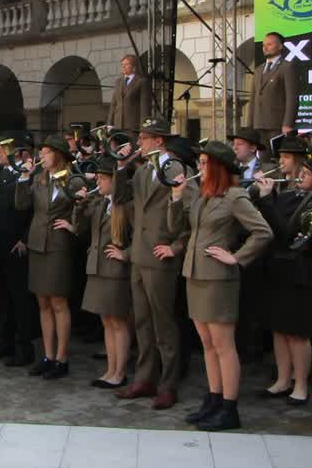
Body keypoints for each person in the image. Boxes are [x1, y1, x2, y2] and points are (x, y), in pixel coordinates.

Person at [168, 141, 273, 431]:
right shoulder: (202, 197)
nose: (199, 168)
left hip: (218, 278)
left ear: (216, 167)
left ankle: (230, 406)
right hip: (195, 274)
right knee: (207, 344)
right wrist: (177, 199)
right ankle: (214, 398)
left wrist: (237, 258)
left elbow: (262, 232)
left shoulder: (234, 196)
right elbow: (180, 228)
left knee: (223, 345)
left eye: (203, 163)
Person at [118, 119, 191, 410]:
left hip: (160, 256)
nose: (140, 143)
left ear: (159, 141)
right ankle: (145, 378)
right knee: (142, 322)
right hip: (140, 255)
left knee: (164, 325)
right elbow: (122, 197)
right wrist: (122, 165)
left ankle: (168, 383)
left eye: (145, 138)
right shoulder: (144, 169)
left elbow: (187, 209)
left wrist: (176, 246)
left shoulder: (174, 166)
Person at [253, 151, 312, 405]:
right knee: (279, 329)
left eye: (307, 174)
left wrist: (267, 201)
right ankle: (282, 379)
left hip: (302, 272)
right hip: (278, 269)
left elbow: (289, 234)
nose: (301, 176)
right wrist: (266, 198)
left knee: (297, 332)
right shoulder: (289, 195)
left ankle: (301, 384)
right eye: (302, 172)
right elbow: (273, 228)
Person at [14, 135, 78, 380]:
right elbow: (21, 204)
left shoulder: (71, 179)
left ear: (58, 155)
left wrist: (73, 226)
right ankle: (48, 355)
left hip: (59, 245)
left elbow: (82, 207)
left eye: (46, 152)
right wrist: (23, 177)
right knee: (43, 302)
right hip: (38, 243)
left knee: (59, 302)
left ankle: (62, 358)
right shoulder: (39, 179)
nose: (41, 156)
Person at [73, 156, 133, 389]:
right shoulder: (100, 202)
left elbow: (139, 236)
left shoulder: (126, 206)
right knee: (106, 321)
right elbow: (80, 227)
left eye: (102, 178)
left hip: (115, 270)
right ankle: (110, 368)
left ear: (114, 180)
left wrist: (125, 254)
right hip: (97, 267)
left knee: (118, 322)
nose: (98, 181)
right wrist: (80, 203)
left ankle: (120, 371)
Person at [0, 135, 35, 367]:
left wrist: (25, 239)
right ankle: (5, 341)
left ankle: (24, 347)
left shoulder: (25, 176)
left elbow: (32, 211)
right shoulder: (1, 174)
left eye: (2, 151)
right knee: (3, 295)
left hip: (15, 244)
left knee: (19, 298)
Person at [250, 31, 299, 148]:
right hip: (259, 125)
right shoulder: (258, 70)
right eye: (264, 45)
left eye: (270, 44)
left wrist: (288, 124)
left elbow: (292, 98)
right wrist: (250, 125)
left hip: (277, 125)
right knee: (263, 162)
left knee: (277, 159)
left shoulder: (287, 67)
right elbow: (253, 99)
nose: (265, 48)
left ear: (280, 46)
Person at [107, 54, 151, 133]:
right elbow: (113, 104)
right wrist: (110, 123)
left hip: (133, 126)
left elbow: (145, 107)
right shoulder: (118, 82)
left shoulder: (142, 81)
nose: (123, 67)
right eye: (122, 65)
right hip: (117, 126)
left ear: (134, 67)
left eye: (126, 64)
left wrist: (144, 129)